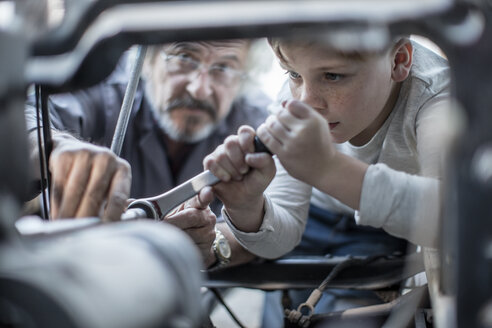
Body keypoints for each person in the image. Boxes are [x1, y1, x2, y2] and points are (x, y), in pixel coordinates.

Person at [203, 34, 449, 325]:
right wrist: (247, 207)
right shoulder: (293, 98)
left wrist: (327, 169)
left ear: (398, 61)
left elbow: (457, 220)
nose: (306, 101)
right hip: (311, 216)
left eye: (332, 76)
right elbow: (280, 239)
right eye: (293, 73)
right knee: (279, 316)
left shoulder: (439, 100)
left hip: (383, 229)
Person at [25, 39, 271, 268]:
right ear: (147, 58)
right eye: (184, 57)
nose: (199, 89)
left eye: (224, 68)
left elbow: (279, 222)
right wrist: (57, 147)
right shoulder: (105, 88)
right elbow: (26, 119)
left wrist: (215, 245)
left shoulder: (256, 126)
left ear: (244, 74)